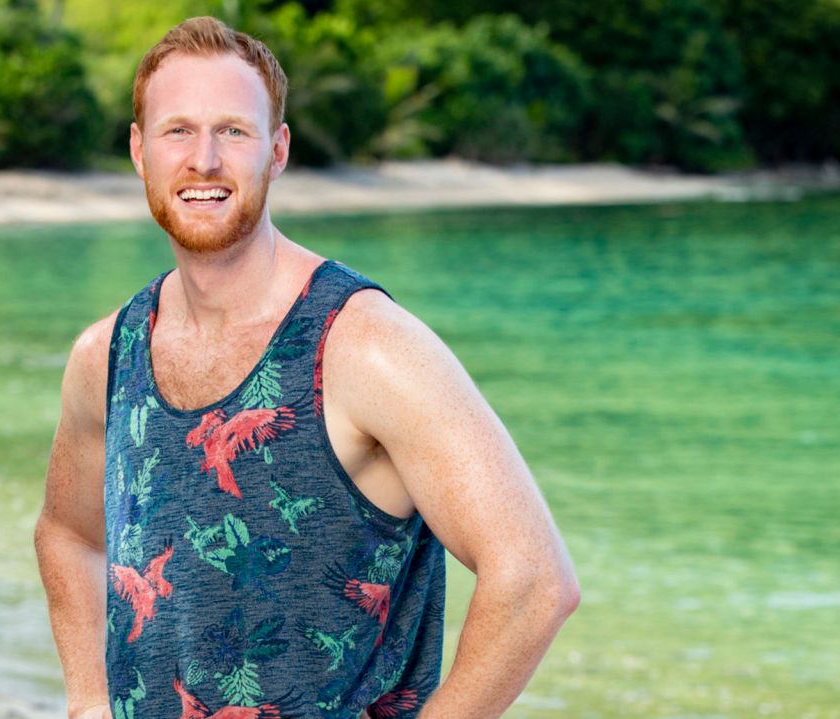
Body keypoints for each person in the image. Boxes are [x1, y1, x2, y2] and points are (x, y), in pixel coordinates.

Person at [34, 16, 579, 719]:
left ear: (277, 149)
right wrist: (87, 700)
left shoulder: (367, 347)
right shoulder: (106, 355)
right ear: (141, 151)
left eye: (233, 131)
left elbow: (533, 582)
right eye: (178, 131)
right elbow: (68, 533)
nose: (204, 159)